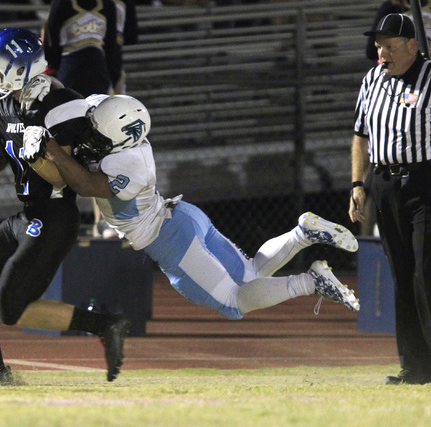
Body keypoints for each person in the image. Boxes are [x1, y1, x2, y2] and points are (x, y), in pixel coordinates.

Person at [21, 94, 361, 328]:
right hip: (182, 218)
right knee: (252, 276)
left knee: (233, 304)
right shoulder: (118, 122)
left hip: (168, 238)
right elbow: (87, 104)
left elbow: (84, 186)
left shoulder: (129, 163)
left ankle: (310, 282)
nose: (90, 135)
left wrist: (51, 147)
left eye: (98, 133)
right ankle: (301, 234)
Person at [0, 28, 130, 387]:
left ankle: (106, 324)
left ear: (21, 68)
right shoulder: (0, 103)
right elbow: (0, 158)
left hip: (56, 213)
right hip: (27, 213)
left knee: (9, 306)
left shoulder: (62, 106)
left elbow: (66, 179)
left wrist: (42, 151)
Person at [350, 13, 431, 385]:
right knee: (401, 274)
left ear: (413, 46)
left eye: (390, 46)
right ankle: (414, 366)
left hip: (424, 181)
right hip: (384, 182)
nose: (382, 53)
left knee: (424, 274)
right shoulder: (371, 80)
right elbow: (361, 136)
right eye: (379, 46)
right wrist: (357, 185)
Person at [42, 0, 121, 98]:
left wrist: (54, 66)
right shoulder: (108, 4)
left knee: (69, 107)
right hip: (97, 67)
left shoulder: (61, 3)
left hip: (70, 68)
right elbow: (111, 46)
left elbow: (51, 40)